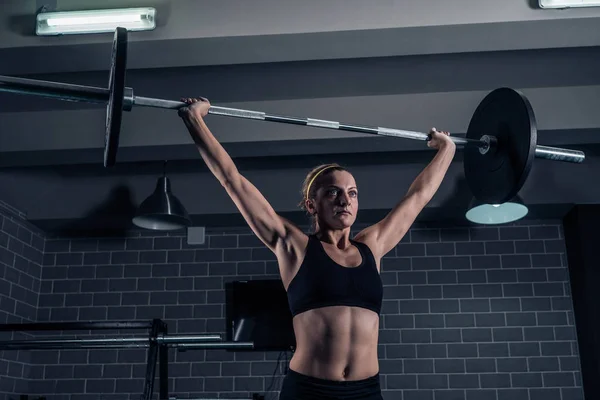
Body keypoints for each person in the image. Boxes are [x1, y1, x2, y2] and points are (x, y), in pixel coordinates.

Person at [178, 97, 456, 400]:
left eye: (352, 193)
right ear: (312, 204)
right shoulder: (294, 246)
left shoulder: (372, 247)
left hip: (366, 391)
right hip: (310, 390)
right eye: (333, 192)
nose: (344, 200)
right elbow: (233, 181)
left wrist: (448, 149)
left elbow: (417, 197)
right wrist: (195, 120)